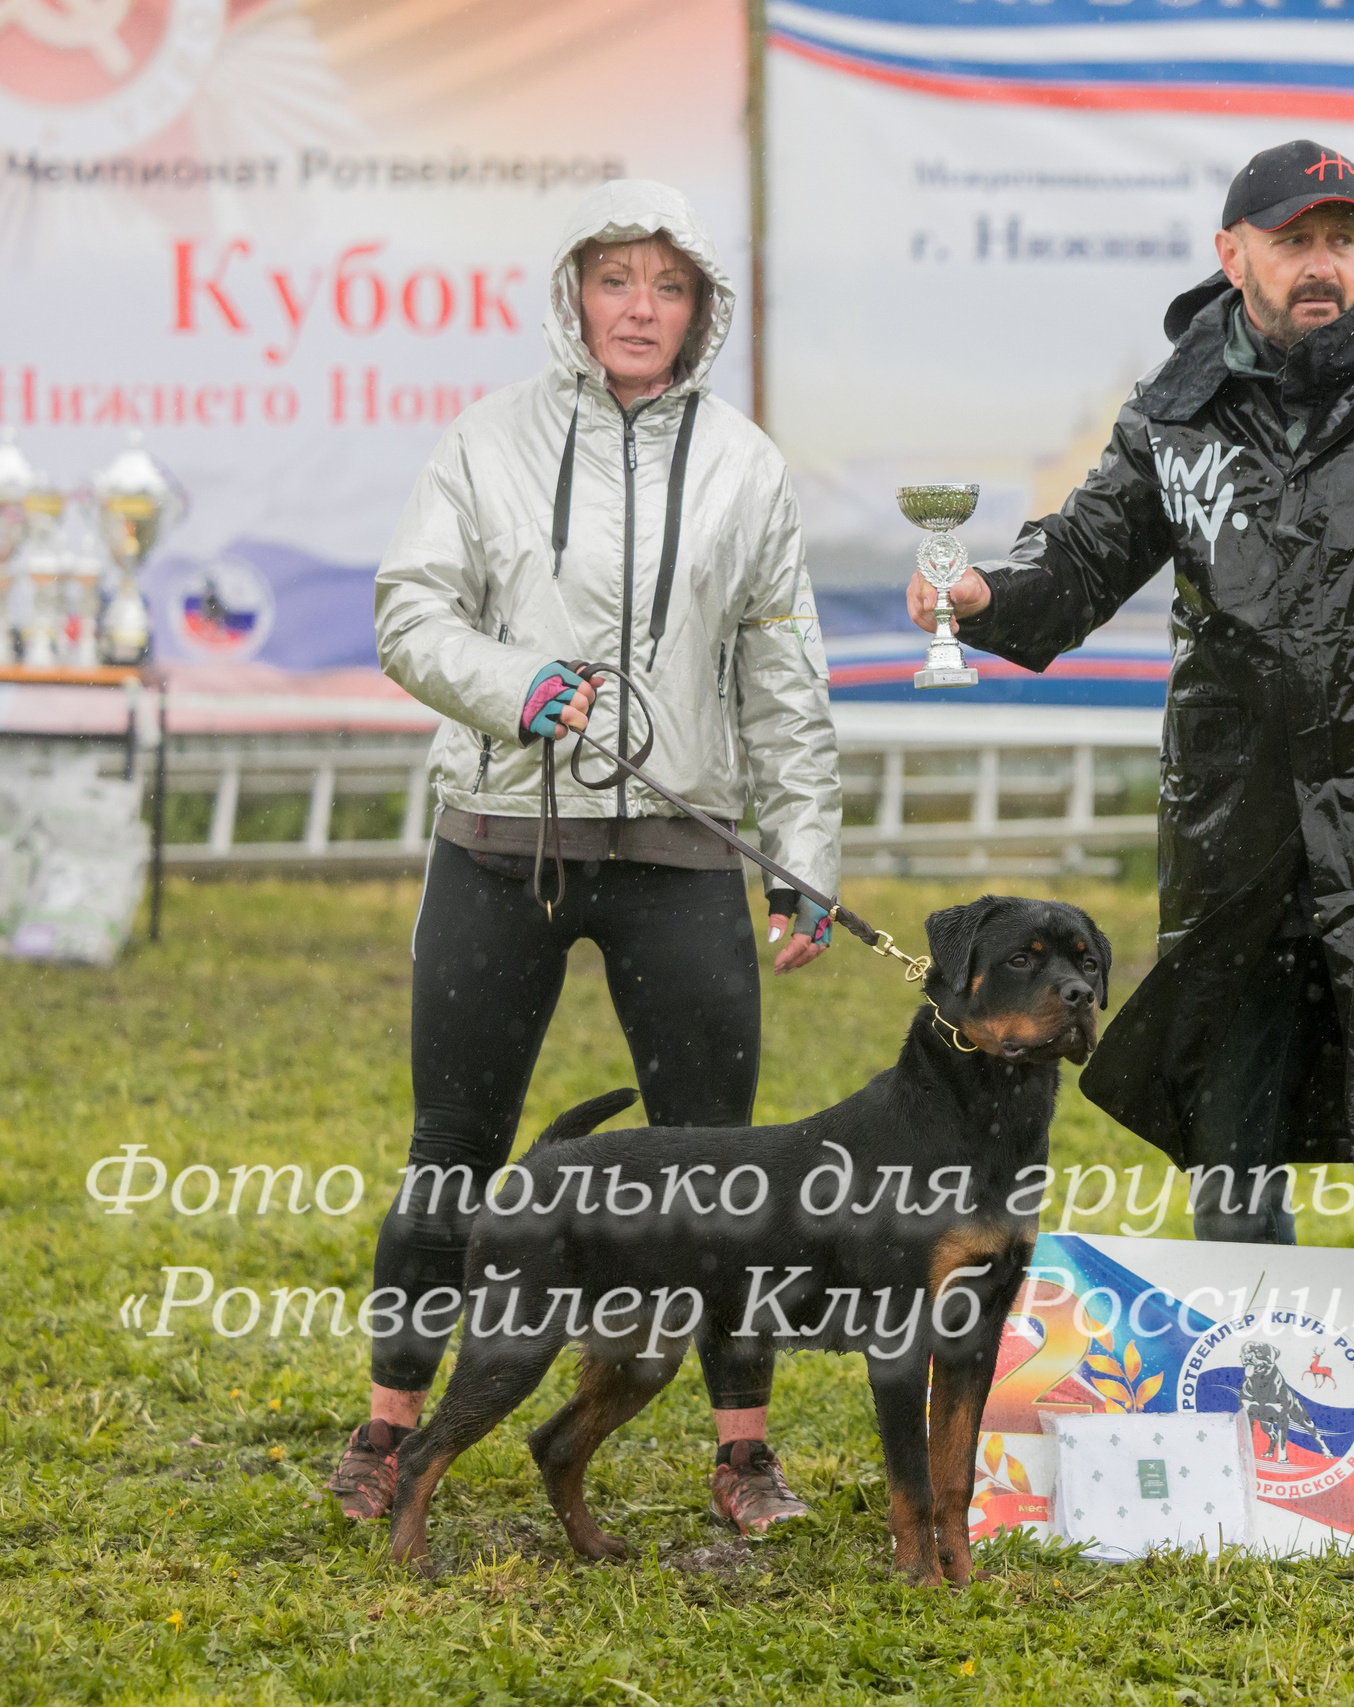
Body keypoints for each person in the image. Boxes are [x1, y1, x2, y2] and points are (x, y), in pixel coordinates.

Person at [908, 140, 1354, 1568]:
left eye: (1345, 238)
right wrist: (985, 592)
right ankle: (1264, 1472)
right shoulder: (1175, 411)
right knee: (1233, 1158)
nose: (1325, 265)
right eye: (1297, 239)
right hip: (1236, 842)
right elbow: (1076, 572)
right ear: (1232, 251)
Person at [331, 179, 842, 1540]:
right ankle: (387, 1433)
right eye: (615, 279)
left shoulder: (746, 464)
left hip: (682, 856)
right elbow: (407, 613)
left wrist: (802, 860)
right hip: (499, 844)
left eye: (666, 287)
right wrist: (516, 685)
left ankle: (744, 1458)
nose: (639, 308)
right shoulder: (484, 439)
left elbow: (781, 679)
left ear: (699, 312)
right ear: (575, 295)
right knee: (454, 1151)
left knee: (719, 1173)